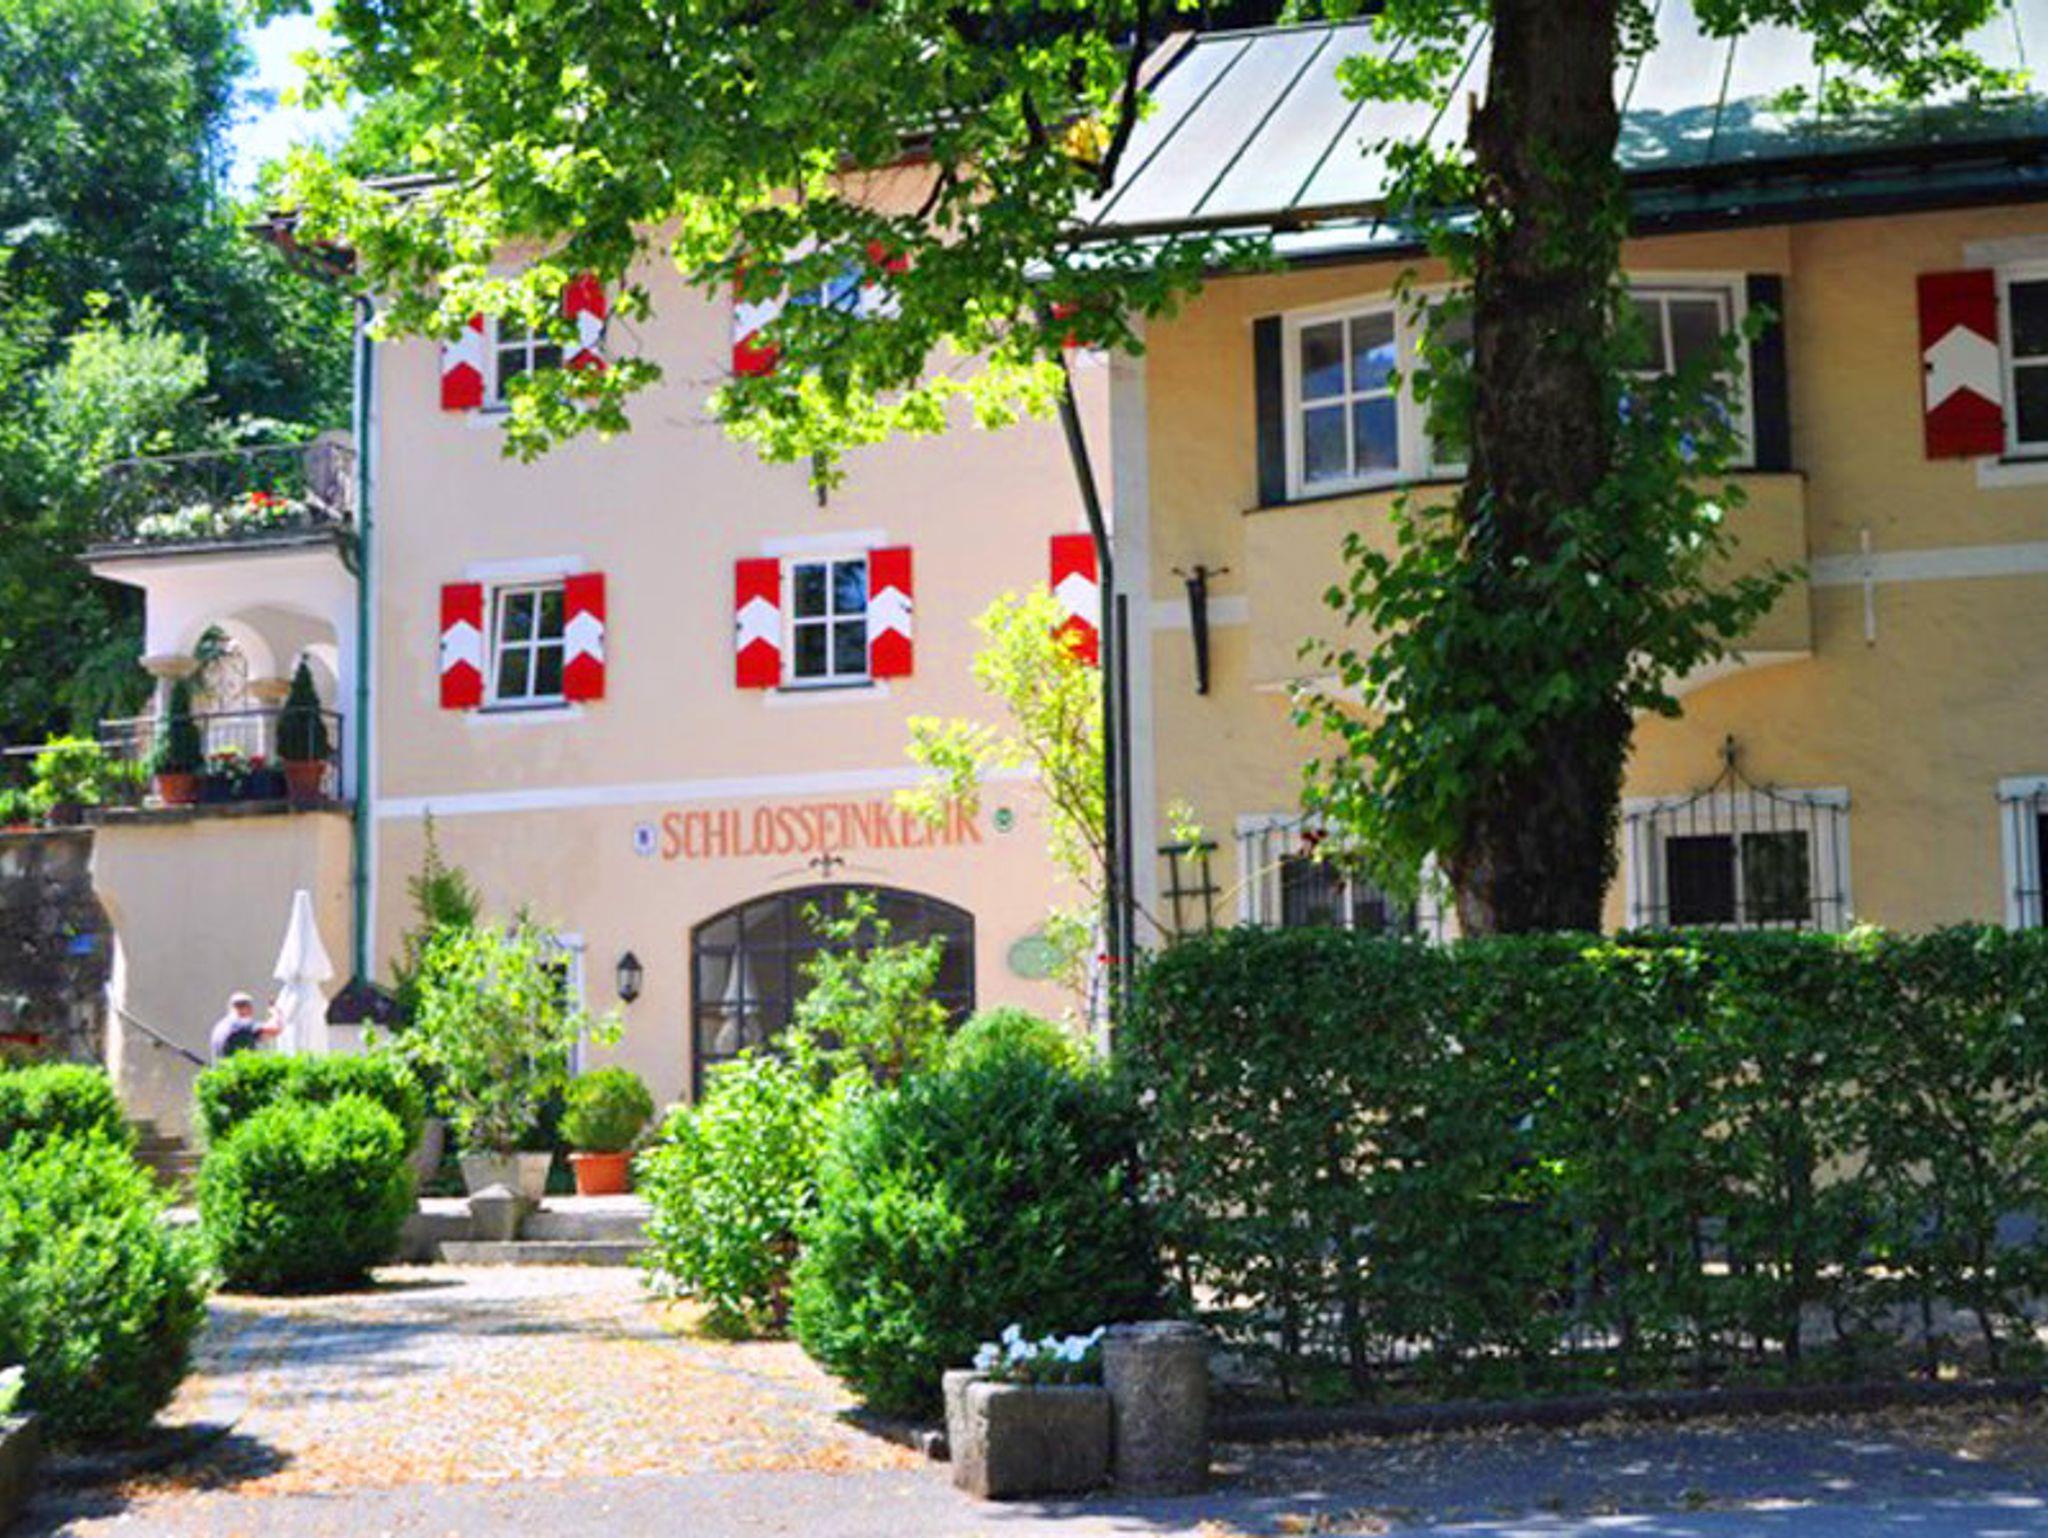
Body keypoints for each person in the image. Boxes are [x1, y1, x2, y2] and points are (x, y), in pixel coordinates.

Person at [209, 992, 281, 1063]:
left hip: (223, 1069)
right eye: (251, 1007)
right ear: (247, 1008)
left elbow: (263, 1036)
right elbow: (275, 1029)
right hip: (238, 1070)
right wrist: (275, 1012)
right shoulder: (241, 1023)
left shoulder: (220, 1026)